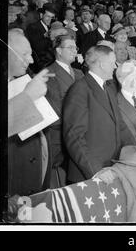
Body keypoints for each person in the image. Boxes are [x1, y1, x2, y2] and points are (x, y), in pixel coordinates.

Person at [63, 45, 121, 183]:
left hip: (110, 169)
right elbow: (74, 136)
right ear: (101, 64)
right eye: (113, 63)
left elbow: (121, 126)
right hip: (90, 175)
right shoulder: (80, 89)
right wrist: (95, 170)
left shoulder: (108, 88)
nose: (115, 67)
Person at [7, 29, 54, 195]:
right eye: (25, 54)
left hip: (35, 179)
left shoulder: (22, 79)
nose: (31, 59)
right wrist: (28, 96)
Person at [45, 34, 84, 188]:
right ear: (58, 51)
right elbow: (55, 109)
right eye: (70, 47)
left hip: (79, 135)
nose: (75, 51)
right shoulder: (48, 73)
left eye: (76, 48)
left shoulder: (80, 73)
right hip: (60, 139)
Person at [25, 3, 56, 72]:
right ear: (41, 15)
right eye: (48, 16)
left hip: (51, 61)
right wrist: (45, 36)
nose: (50, 19)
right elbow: (37, 48)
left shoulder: (51, 27)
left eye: (52, 17)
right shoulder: (33, 27)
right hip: (41, 65)